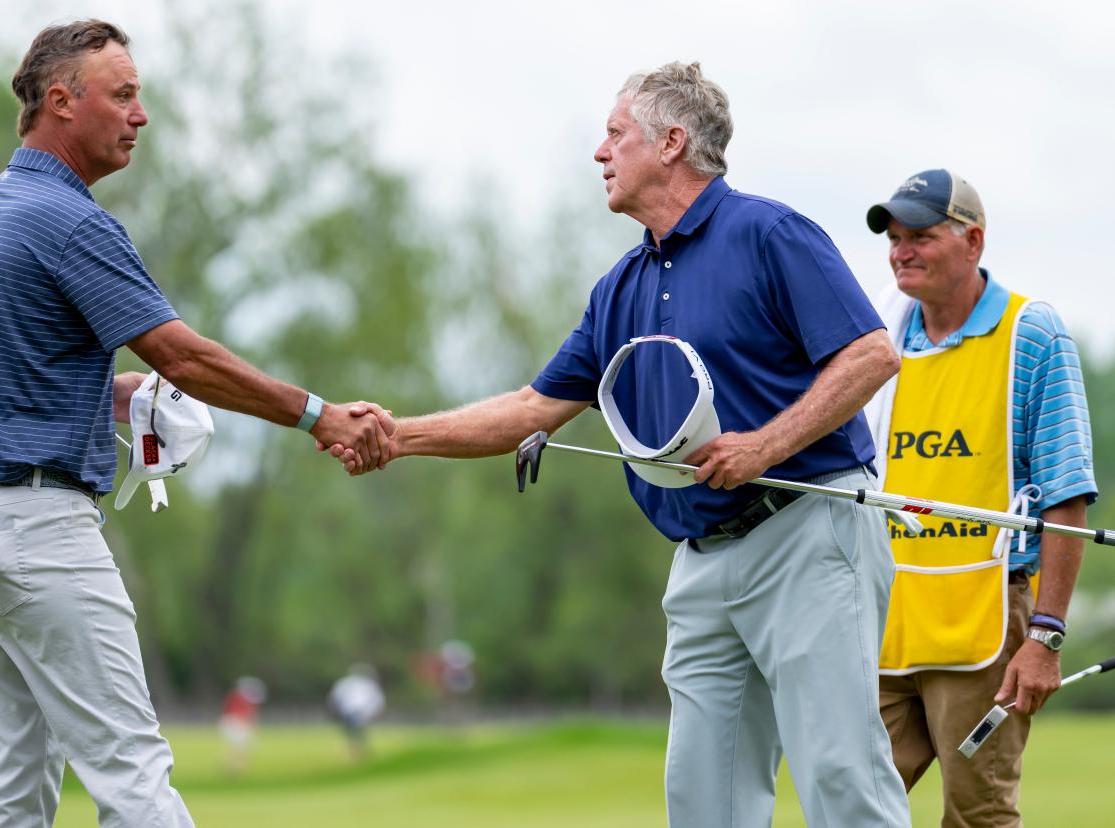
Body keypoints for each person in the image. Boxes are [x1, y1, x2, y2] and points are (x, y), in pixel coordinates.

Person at [329, 62, 911, 827]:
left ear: (671, 143)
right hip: (702, 562)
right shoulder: (619, 287)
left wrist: (765, 445)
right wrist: (398, 436)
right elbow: (534, 407)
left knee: (842, 780)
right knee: (703, 799)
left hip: (809, 533)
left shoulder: (770, 233)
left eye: (613, 135)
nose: (598, 154)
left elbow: (872, 353)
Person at [0, 20, 390, 827]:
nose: (141, 115)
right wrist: (318, 416)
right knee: (135, 781)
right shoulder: (70, 221)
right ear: (62, 103)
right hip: (36, 536)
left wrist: (103, 393)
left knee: (7, 796)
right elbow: (185, 356)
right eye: (125, 95)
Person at [864, 170, 1097, 826]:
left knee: (977, 816)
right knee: (848, 804)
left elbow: (1066, 496)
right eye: (896, 238)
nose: (901, 251)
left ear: (973, 241)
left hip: (985, 631)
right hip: (884, 623)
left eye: (921, 236)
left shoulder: (1032, 332)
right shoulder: (879, 338)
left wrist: (1046, 637)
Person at [327, 663, 385, 760]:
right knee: (356, 732)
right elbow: (377, 699)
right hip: (354, 711)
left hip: (352, 711)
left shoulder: (347, 683)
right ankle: (358, 750)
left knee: (354, 732)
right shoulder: (365, 684)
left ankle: (357, 750)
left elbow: (335, 696)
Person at [219, 676, 268, 774]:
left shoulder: (237, 697)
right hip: (237, 723)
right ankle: (236, 768)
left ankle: (237, 768)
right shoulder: (240, 698)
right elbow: (242, 713)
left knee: (238, 748)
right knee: (239, 748)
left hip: (234, 723)